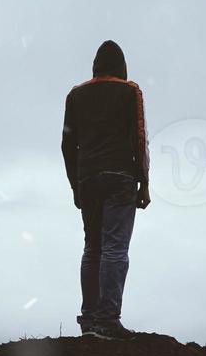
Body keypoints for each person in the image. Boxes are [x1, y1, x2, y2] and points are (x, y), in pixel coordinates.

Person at [61, 41, 150, 339]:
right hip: (120, 176)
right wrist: (145, 182)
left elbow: (67, 145)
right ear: (121, 67)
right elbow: (139, 137)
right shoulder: (129, 91)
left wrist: (76, 185)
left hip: (88, 178)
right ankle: (108, 320)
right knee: (114, 248)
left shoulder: (76, 95)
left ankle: (89, 319)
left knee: (92, 248)